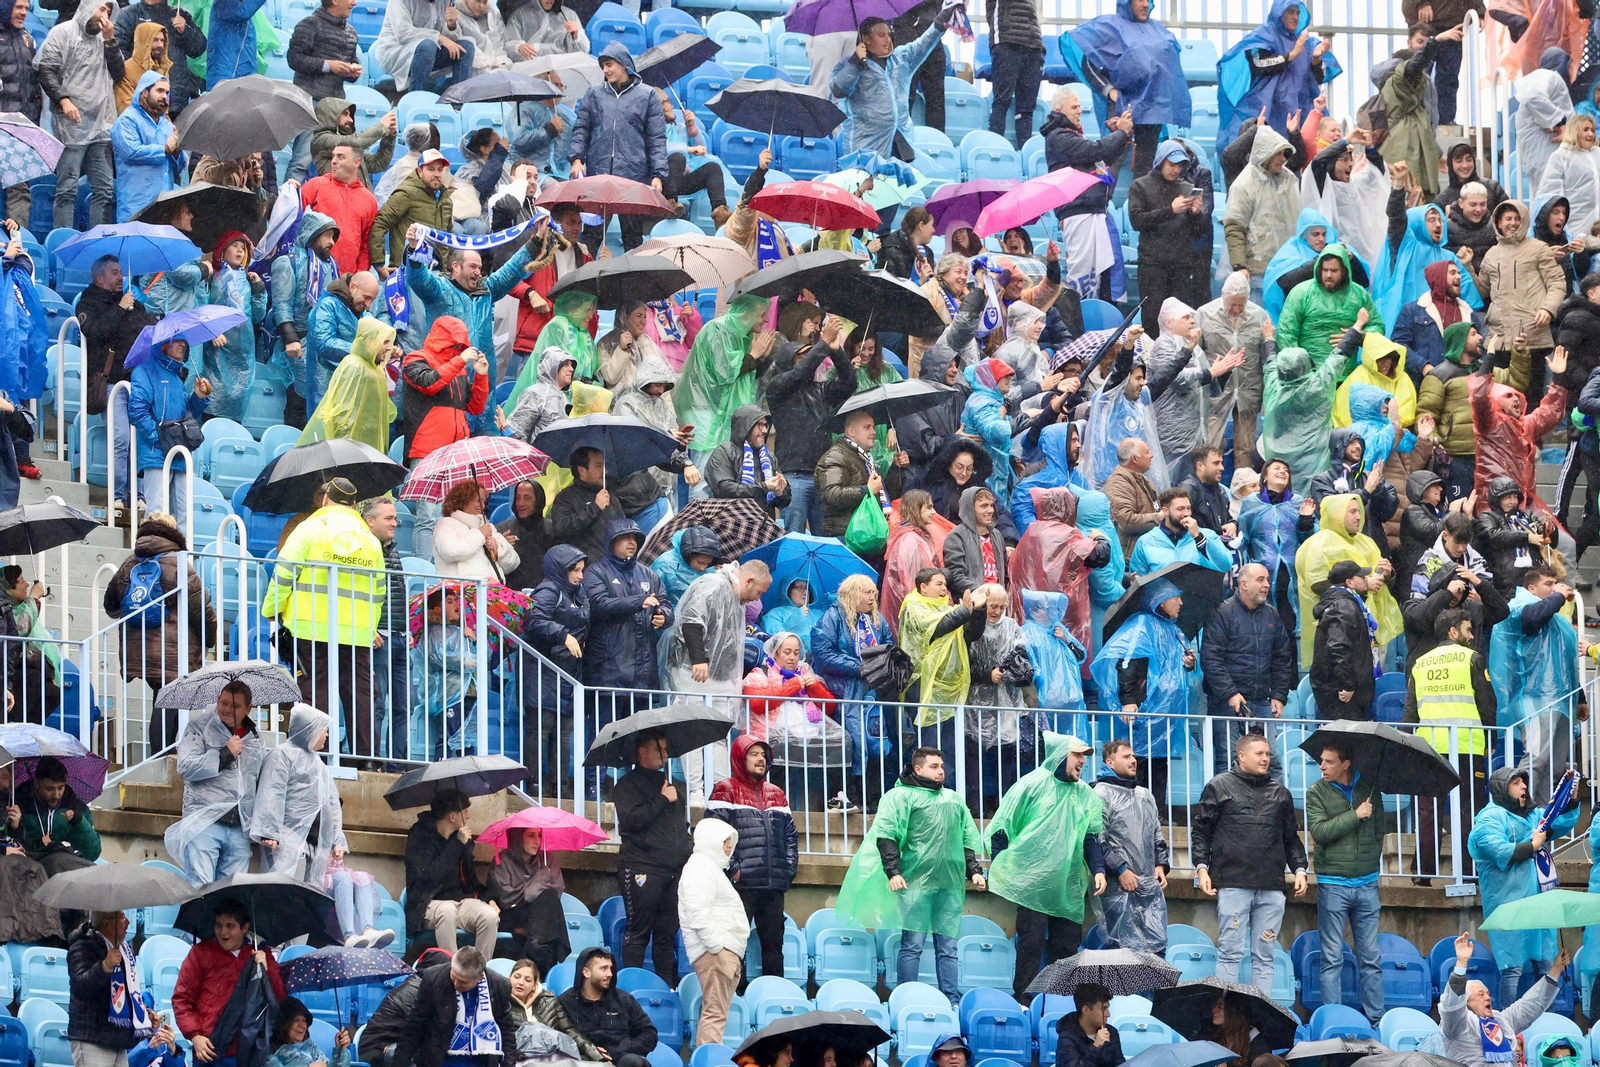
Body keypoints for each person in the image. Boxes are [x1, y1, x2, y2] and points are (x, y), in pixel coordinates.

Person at [835, 747, 985, 1007]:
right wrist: (893, 872)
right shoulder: (901, 796)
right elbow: (887, 834)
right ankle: (906, 998)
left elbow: (966, 837)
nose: (941, 771)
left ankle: (951, 1000)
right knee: (913, 944)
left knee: (948, 948)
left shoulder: (952, 799)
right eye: (934, 766)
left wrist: (973, 870)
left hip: (949, 884)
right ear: (917, 769)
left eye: (941, 766)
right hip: (915, 883)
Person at [261, 477, 385, 758]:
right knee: (360, 698)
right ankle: (367, 760)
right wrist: (369, 627)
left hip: (310, 628)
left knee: (315, 695)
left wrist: (271, 608)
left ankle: (317, 755)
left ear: (326, 498)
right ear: (354, 504)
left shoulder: (309, 528)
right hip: (356, 632)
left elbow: (284, 573)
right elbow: (379, 591)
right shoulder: (370, 539)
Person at [986, 733, 1105, 997]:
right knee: (1031, 944)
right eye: (1077, 754)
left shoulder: (1086, 795)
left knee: (1066, 947)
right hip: (1033, 885)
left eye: (1085, 756)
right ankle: (1025, 1002)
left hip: (1068, 884)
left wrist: (1098, 869)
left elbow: (1091, 837)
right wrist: (1001, 865)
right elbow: (1002, 827)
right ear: (1060, 755)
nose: (1082, 761)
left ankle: (1058, 1003)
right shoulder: (1031, 785)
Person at [1192, 732, 1308, 995]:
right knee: (1230, 953)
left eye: (1268, 754)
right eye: (1260, 753)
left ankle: (1260, 1020)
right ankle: (1228, 1019)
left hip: (1271, 885)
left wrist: (1300, 869)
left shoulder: (1281, 793)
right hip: (1233, 882)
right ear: (1241, 756)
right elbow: (1201, 831)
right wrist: (1201, 867)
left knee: (1266, 955)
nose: (1266, 758)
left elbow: (1291, 838)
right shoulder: (1219, 786)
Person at [1468, 766, 1580, 1005]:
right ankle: (1508, 1024)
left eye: (1523, 782)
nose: (1524, 787)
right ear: (1502, 788)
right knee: (1512, 968)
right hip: (1508, 903)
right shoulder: (1490, 817)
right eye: (1516, 782)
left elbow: (1558, 822)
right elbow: (1495, 848)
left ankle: (1545, 1022)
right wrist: (1532, 845)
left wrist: (1569, 798)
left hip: (1538, 900)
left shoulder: (1531, 815)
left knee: (1546, 965)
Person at [1406, 607, 1496, 880]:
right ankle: (1469, 871)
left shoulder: (1420, 663)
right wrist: (1490, 739)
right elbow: (1487, 702)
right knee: (1469, 809)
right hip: (1467, 745)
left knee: (1428, 810)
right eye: (1468, 630)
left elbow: (1411, 711)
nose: (1471, 636)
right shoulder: (1472, 659)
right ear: (1453, 631)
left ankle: (1423, 872)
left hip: (1429, 747)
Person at [1088, 577, 1195, 807]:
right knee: (1137, 762)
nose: (1181, 602)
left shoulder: (1174, 630)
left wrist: (1188, 663)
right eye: (1175, 597)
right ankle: (1133, 811)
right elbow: (1127, 662)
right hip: (1143, 712)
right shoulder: (1141, 625)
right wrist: (1128, 699)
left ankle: (1155, 812)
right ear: (1161, 600)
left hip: (1164, 716)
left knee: (1159, 763)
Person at [1064, 0, 1191, 177]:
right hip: (1123, 107)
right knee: (1110, 162)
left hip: (1151, 109)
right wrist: (1108, 90)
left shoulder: (1160, 32)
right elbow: (1087, 57)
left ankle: (1139, 206)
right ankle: (1101, 203)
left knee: (1146, 169)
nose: (1146, 4)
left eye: (1148, 0)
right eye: (1140, 0)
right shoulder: (1108, 26)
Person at [706, 734, 797, 979]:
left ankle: (775, 998)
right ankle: (733, 998)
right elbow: (712, 834)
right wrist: (733, 868)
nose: (761, 760)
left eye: (763, 755)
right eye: (754, 754)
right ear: (740, 758)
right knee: (734, 946)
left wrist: (788, 869)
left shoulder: (777, 793)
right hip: (741, 885)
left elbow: (790, 835)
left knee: (774, 948)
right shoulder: (725, 789)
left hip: (773, 884)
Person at [1307, 740, 1384, 1025]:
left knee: (1371, 959)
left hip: (1367, 884)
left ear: (1346, 764)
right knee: (1331, 958)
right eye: (1321, 761)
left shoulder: (1371, 788)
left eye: (1329, 761)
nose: (1322, 767)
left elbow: (1380, 830)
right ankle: (1333, 1019)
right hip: (1333, 884)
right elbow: (1320, 832)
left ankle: (1376, 1020)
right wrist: (1355, 815)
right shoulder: (1316, 791)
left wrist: (1370, 863)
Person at [566, 44, 664, 251]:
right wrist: (576, 159)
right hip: (598, 175)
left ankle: (632, 282)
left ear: (624, 64)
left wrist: (658, 174)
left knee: (632, 237)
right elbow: (581, 128)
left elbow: (656, 138)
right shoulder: (593, 93)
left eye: (609, 65)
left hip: (633, 176)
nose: (605, 70)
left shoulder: (648, 95)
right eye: (603, 66)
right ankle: (583, 280)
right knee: (591, 236)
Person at [611, 730, 691, 983]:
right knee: (638, 932)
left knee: (667, 935)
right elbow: (632, 821)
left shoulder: (672, 786)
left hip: (674, 870)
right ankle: (632, 988)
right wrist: (661, 799)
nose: (665, 755)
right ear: (642, 751)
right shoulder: (626, 785)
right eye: (659, 749)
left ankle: (666, 987)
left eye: (667, 749)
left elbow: (681, 826)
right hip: (642, 867)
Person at [163, 680, 261, 886]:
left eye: (235, 706)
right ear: (217, 700)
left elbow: (257, 781)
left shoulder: (255, 738)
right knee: (200, 890)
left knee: (231, 894)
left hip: (240, 828)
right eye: (223, 702)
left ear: (248, 709)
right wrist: (224, 753)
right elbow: (186, 768)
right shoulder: (198, 727)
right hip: (205, 823)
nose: (227, 709)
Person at [35, 1, 121, 230]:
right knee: (67, 189)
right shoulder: (63, 32)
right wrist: (64, 100)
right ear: (88, 6)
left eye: (109, 12)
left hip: (100, 125)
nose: (105, 15)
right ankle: (63, 242)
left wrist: (111, 42)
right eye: (101, 9)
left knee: (104, 190)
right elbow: (46, 70)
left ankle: (98, 241)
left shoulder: (106, 40)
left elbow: (119, 73)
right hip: (71, 125)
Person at [249, 702, 352, 893]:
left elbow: (332, 805)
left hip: (314, 840)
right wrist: (269, 832)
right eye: (324, 730)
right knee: (278, 890)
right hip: (284, 838)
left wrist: (337, 839)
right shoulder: (281, 755)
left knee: (309, 895)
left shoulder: (318, 763)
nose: (327, 735)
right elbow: (271, 793)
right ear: (309, 730)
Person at [170, 900, 288, 1065]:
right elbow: (182, 999)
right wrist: (195, 1035)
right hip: (210, 1050)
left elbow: (279, 997)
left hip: (248, 1050)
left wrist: (267, 969)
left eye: (230, 926)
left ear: (245, 928)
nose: (222, 931)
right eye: (218, 925)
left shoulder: (262, 954)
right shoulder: (200, 952)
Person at [1202, 562, 1295, 761]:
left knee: (1271, 760)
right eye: (1260, 579)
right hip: (1226, 702)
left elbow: (1282, 658)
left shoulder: (1272, 614)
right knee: (1228, 759)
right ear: (1243, 584)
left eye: (1268, 580)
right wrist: (1230, 693)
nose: (1267, 584)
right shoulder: (1221, 613)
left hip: (1261, 700)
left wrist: (1278, 694)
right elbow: (1211, 659)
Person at [830, 14, 951, 161]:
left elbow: (923, 44)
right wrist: (855, 63)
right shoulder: (847, 64)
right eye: (881, 35)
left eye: (889, 34)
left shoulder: (901, 59)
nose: (887, 39)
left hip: (900, 146)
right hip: (864, 149)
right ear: (866, 39)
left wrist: (939, 23)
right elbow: (839, 89)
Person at [1440, 931, 1567, 1067]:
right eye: (1480, 995)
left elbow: (1529, 1005)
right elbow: (1451, 1005)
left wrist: (1556, 970)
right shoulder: (1457, 1025)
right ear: (1465, 1002)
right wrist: (1461, 964)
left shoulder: (1500, 1021)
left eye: (1488, 993)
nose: (1488, 998)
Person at [1093, 739, 1169, 954]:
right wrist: (1121, 870)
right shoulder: (1101, 793)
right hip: (1119, 884)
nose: (1134, 760)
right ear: (1109, 762)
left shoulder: (1145, 794)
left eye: (1134, 756)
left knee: (1156, 948)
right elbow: (1098, 839)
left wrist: (1161, 864)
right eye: (1126, 756)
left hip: (1149, 882)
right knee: (1122, 949)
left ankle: (1149, 990)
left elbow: (1156, 832)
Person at [403, 788, 498, 958]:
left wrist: (489, 898)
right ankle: (454, 973)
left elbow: (471, 880)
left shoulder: (462, 840)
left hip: (460, 902)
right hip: (426, 904)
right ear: (453, 816)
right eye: (465, 811)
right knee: (446, 911)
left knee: (489, 916)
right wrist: (456, 845)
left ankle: (480, 973)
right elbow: (428, 875)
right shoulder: (420, 836)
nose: (468, 816)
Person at [1130, 144, 1215, 332]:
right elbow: (1137, 221)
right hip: (1152, 265)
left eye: (1180, 165)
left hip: (1181, 265)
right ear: (1161, 161)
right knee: (1152, 318)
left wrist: (1196, 214)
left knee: (1180, 320)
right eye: (1171, 164)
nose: (1176, 170)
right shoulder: (1140, 186)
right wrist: (1170, 210)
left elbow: (1198, 231)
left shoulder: (1187, 188)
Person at [677, 818, 746, 1047]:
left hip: (721, 951)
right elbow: (698, 914)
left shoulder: (710, 868)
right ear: (710, 841)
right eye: (724, 841)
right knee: (715, 1014)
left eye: (730, 841)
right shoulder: (700, 867)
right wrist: (718, 949)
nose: (729, 846)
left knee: (718, 1013)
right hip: (715, 952)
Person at [393, 946, 514, 1067]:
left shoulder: (499, 985)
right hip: (439, 1059)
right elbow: (414, 1025)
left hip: (482, 1061)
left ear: (479, 977)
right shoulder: (433, 978)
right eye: (454, 977)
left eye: (463, 982)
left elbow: (506, 1030)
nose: (456, 984)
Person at [66, 909, 156, 1067]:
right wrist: (104, 966)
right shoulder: (83, 945)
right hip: (92, 1038)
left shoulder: (124, 951)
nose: (128, 922)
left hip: (117, 1039)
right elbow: (79, 987)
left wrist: (147, 1014)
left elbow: (127, 991)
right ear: (107, 922)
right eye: (122, 917)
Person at [1480, 201, 1567, 362]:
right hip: (1498, 339)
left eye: (1517, 218)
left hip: (1532, 338)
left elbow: (1557, 282)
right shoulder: (1490, 254)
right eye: (1508, 218)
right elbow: (1481, 291)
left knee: (1531, 387)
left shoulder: (1539, 249)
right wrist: (1467, 266)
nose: (1513, 223)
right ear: (1498, 222)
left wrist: (1548, 309)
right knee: (1502, 388)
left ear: (1524, 221)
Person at [1223, 125, 1300, 288]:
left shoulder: (1287, 180)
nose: (1283, 159)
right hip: (1257, 272)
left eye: (1284, 154)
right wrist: (1240, 266)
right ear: (1265, 154)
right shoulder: (1244, 185)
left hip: (1288, 269)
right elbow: (1235, 228)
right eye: (1278, 153)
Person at [817, 408, 906, 542]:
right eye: (867, 427)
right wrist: (867, 490)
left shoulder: (865, 458)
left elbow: (885, 495)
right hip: (848, 537)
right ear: (851, 431)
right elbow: (831, 495)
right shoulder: (835, 456)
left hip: (868, 534)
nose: (874, 432)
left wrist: (897, 468)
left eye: (873, 427)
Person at [1309, 559, 1383, 721]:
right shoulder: (1343, 606)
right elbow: (1338, 646)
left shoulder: (1346, 603)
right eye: (1361, 576)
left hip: (1344, 692)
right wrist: (1348, 684)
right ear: (1350, 582)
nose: (1365, 579)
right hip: (1343, 695)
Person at [556, 949, 656, 1067]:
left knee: (631, 1061)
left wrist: (621, 1051)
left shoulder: (624, 999)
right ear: (586, 972)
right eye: (603, 968)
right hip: (585, 1059)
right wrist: (588, 1051)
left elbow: (649, 1033)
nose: (610, 974)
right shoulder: (564, 1002)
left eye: (611, 968)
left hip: (622, 1058)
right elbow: (556, 1040)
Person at [109, 72, 181, 223]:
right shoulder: (127, 120)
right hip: (136, 207)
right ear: (144, 93)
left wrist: (177, 152)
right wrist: (165, 149)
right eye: (159, 91)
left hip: (164, 207)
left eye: (167, 92)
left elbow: (179, 167)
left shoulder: (167, 125)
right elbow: (131, 152)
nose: (164, 96)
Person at [372, 0, 472, 94]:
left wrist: (451, 25)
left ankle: (456, 102)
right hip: (397, 54)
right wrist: (438, 37)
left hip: (429, 53)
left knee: (465, 47)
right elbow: (403, 33)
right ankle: (416, 97)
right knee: (428, 46)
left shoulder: (442, 2)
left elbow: (447, 39)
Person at [1129, 487, 1233, 576]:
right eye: (1180, 509)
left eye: (1188, 508)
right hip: (1163, 598)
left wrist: (1198, 538)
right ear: (1165, 511)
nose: (1186, 513)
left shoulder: (1207, 535)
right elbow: (1138, 577)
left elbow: (1226, 566)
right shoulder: (1146, 541)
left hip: (1196, 596)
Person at [706, 405, 792, 512]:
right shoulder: (723, 453)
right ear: (745, 427)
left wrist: (780, 492)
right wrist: (764, 487)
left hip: (764, 525)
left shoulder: (769, 457)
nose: (765, 430)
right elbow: (724, 490)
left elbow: (784, 502)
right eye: (760, 425)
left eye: (765, 425)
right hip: (730, 523)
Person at [504, 959, 597, 1058]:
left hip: (552, 1058)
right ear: (509, 978)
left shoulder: (549, 1001)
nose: (521, 983)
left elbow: (568, 1030)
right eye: (517, 977)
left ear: (534, 985)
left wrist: (594, 1053)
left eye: (528, 980)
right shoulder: (501, 1003)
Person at [1055, 983, 1123, 1067]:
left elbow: (1120, 1063)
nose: (1108, 1014)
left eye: (1108, 1008)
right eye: (1103, 1009)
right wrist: (1096, 1047)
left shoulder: (1111, 1032)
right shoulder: (1067, 1039)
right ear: (1086, 1010)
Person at [268, 998, 350, 1067]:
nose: (301, 1025)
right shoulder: (269, 1054)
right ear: (284, 1023)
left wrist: (341, 1049)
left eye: (304, 1020)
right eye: (295, 1020)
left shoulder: (309, 1047)